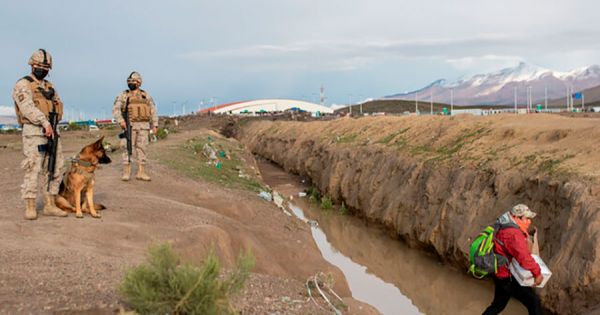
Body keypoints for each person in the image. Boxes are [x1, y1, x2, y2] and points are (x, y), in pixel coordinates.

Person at [12, 49, 68, 220]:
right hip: (34, 131)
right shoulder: (23, 85)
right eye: (40, 66)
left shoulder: (50, 87)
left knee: (55, 167)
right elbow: (27, 108)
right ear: (32, 65)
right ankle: (30, 206)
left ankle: (50, 204)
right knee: (33, 168)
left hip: (53, 131)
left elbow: (58, 106)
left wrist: (52, 122)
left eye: (46, 67)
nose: (43, 69)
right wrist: (44, 122)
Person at [482, 204, 543, 315]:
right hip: (507, 277)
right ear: (516, 218)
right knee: (534, 302)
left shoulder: (503, 224)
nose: (529, 221)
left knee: (498, 305)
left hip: (499, 273)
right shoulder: (513, 234)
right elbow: (524, 258)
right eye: (526, 218)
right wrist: (537, 273)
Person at [112, 71, 158, 181]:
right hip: (129, 126)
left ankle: (141, 173)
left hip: (143, 126)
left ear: (139, 83)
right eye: (129, 81)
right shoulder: (124, 95)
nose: (131, 83)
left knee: (142, 149)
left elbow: (153, 110)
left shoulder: (145, 95)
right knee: (127, 148)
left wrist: (155, 124)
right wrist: (121, 121)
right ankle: (126, 172)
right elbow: (116, 109)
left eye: (133, 81)